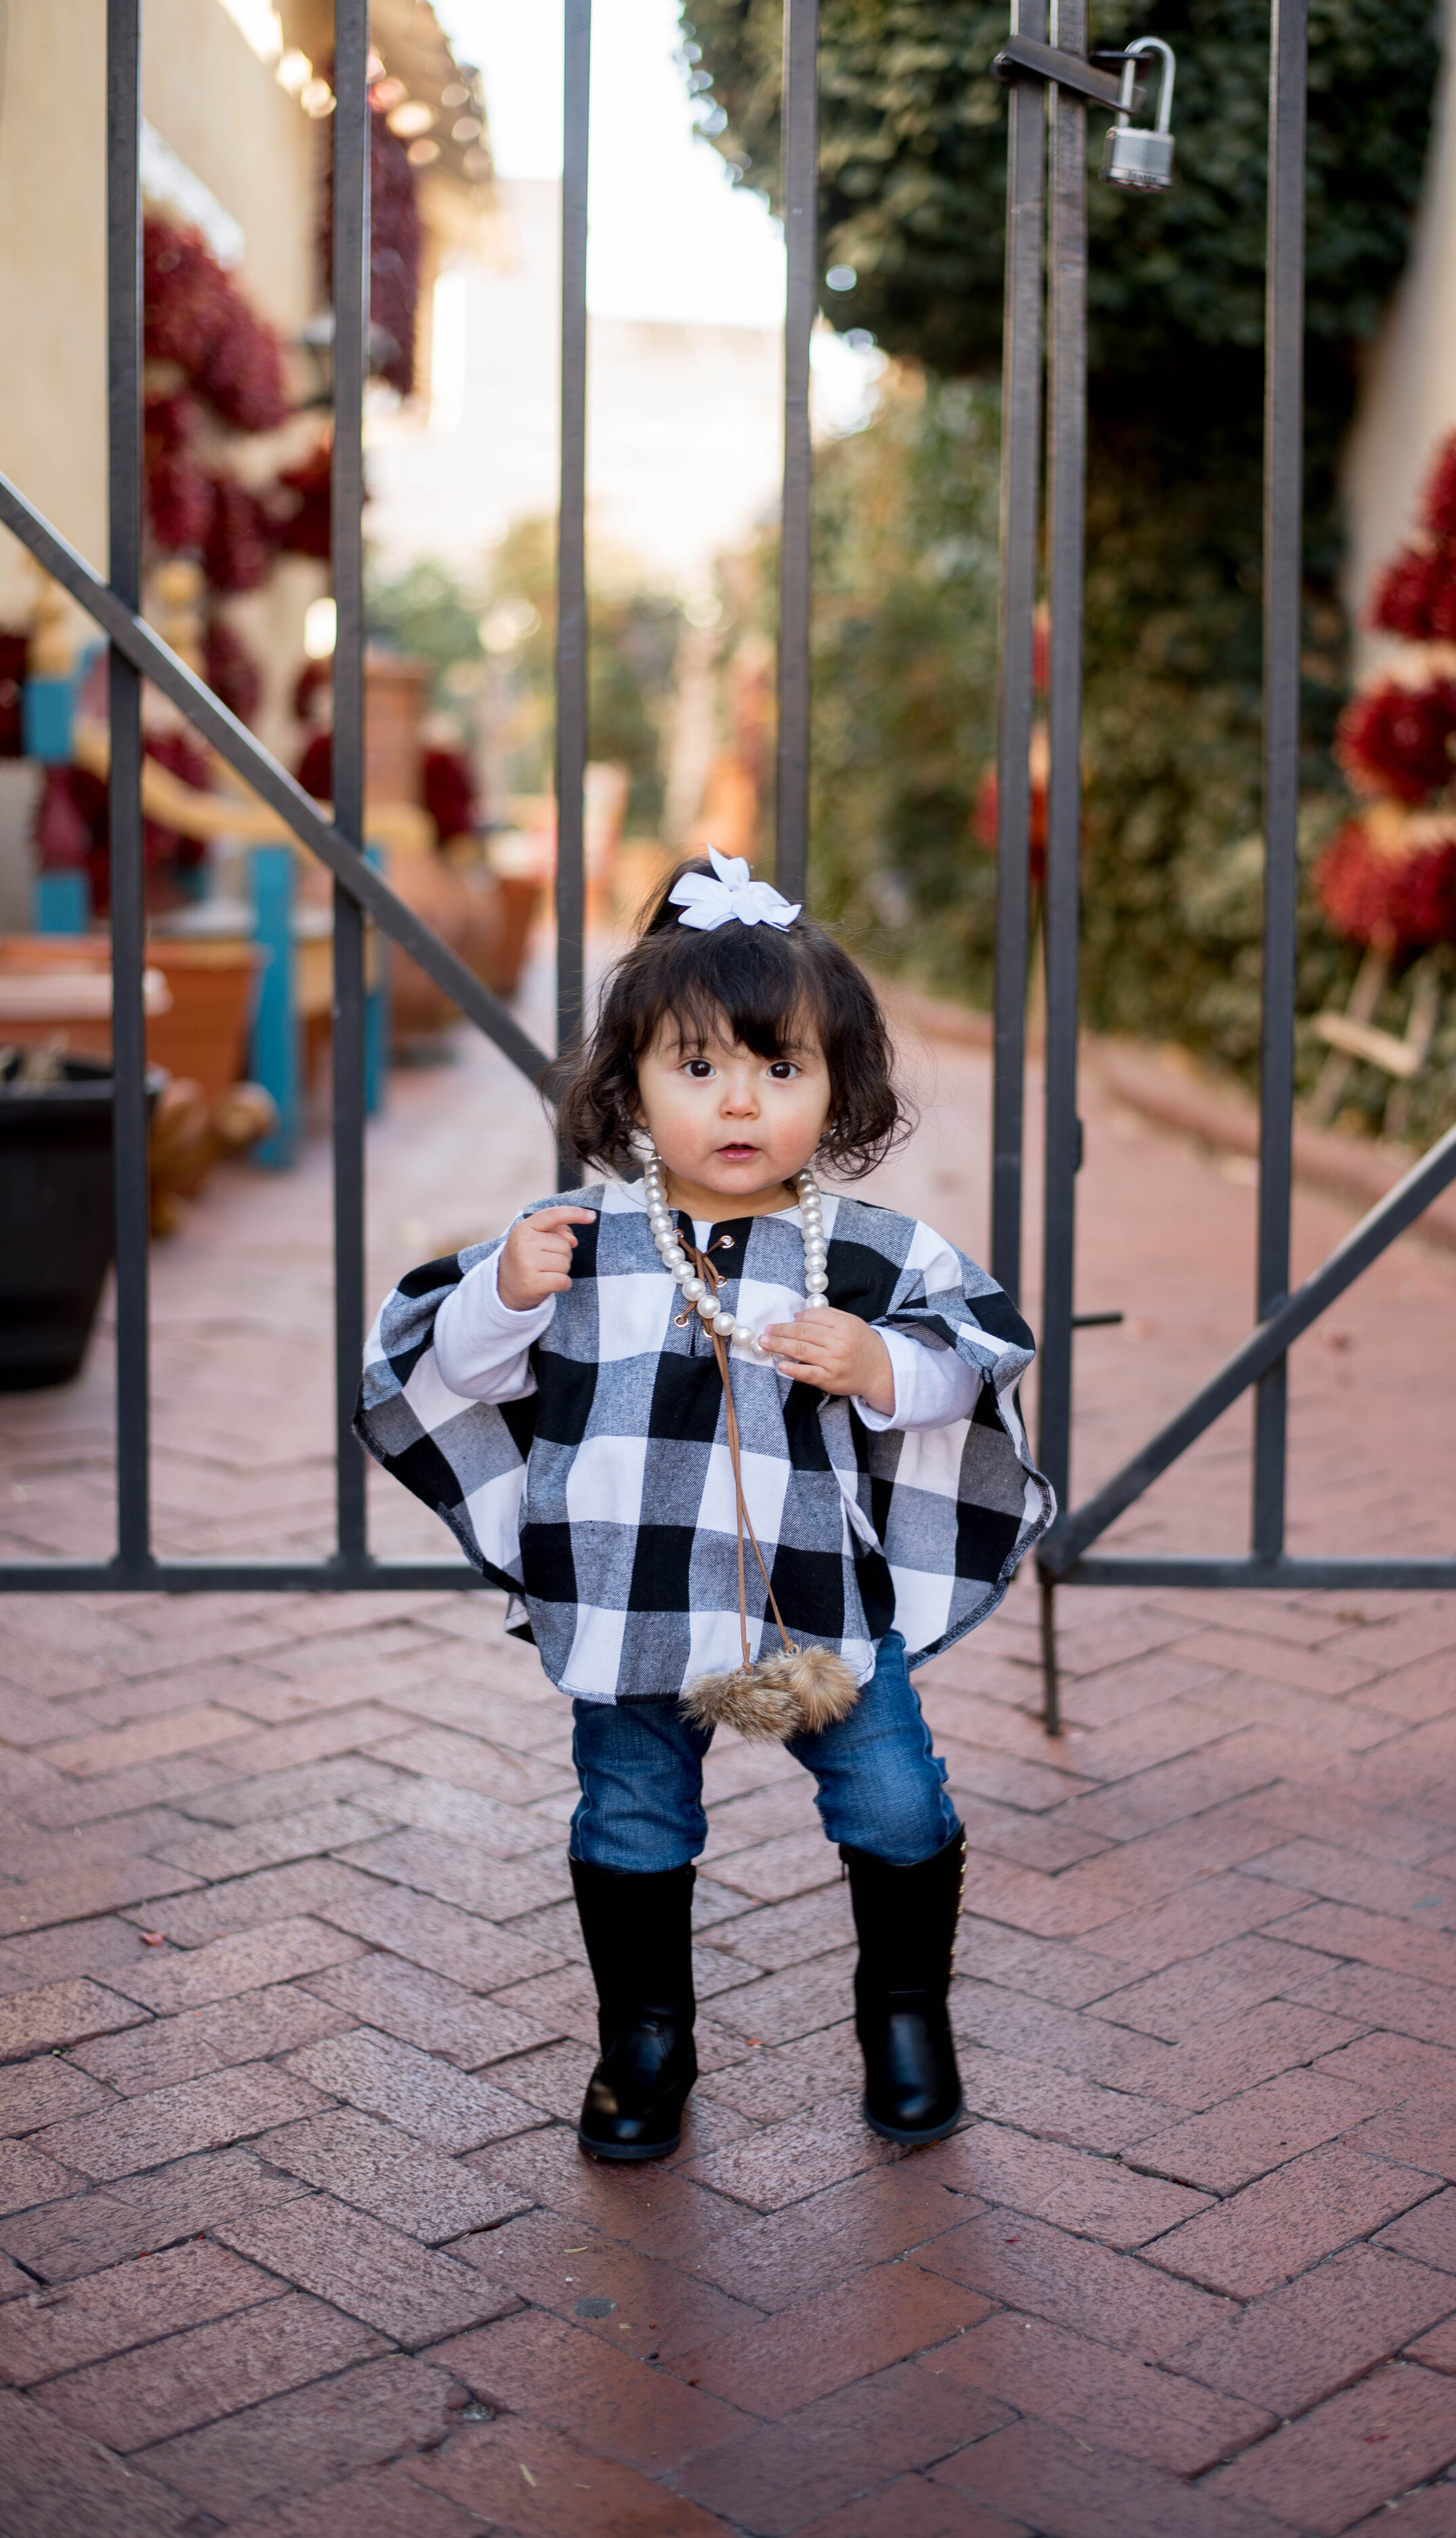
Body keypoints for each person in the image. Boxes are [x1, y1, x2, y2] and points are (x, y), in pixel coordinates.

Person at [357, 847, 1054, 2162]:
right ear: (626, 1087)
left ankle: (903, 2017)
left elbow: (977, 1358)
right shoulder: (577, 1234)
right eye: (696, 1067)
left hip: (817, 1610)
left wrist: (880, 1364)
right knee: (629, 1813)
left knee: (896, 1802)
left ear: (838, 1086)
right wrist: (502, 1292)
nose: (739, 1101)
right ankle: (644, 2043)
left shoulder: (867, 1248)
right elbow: (455, 1374)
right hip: (628, 1607)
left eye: (780, 1067)